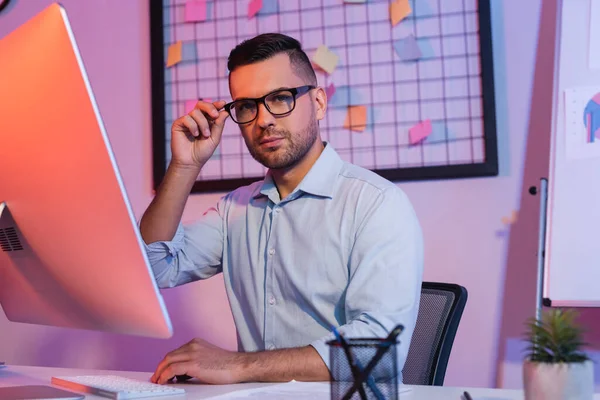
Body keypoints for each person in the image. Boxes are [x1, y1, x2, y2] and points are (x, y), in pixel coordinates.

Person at [140, 33, 423, 385]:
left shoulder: (376, 204)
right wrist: (184, 167)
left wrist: (238, 365)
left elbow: (379, 352)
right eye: (247, 106)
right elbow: (152, 268)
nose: (263, 120)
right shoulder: (235, 210)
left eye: (280, 98)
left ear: (318, 102)